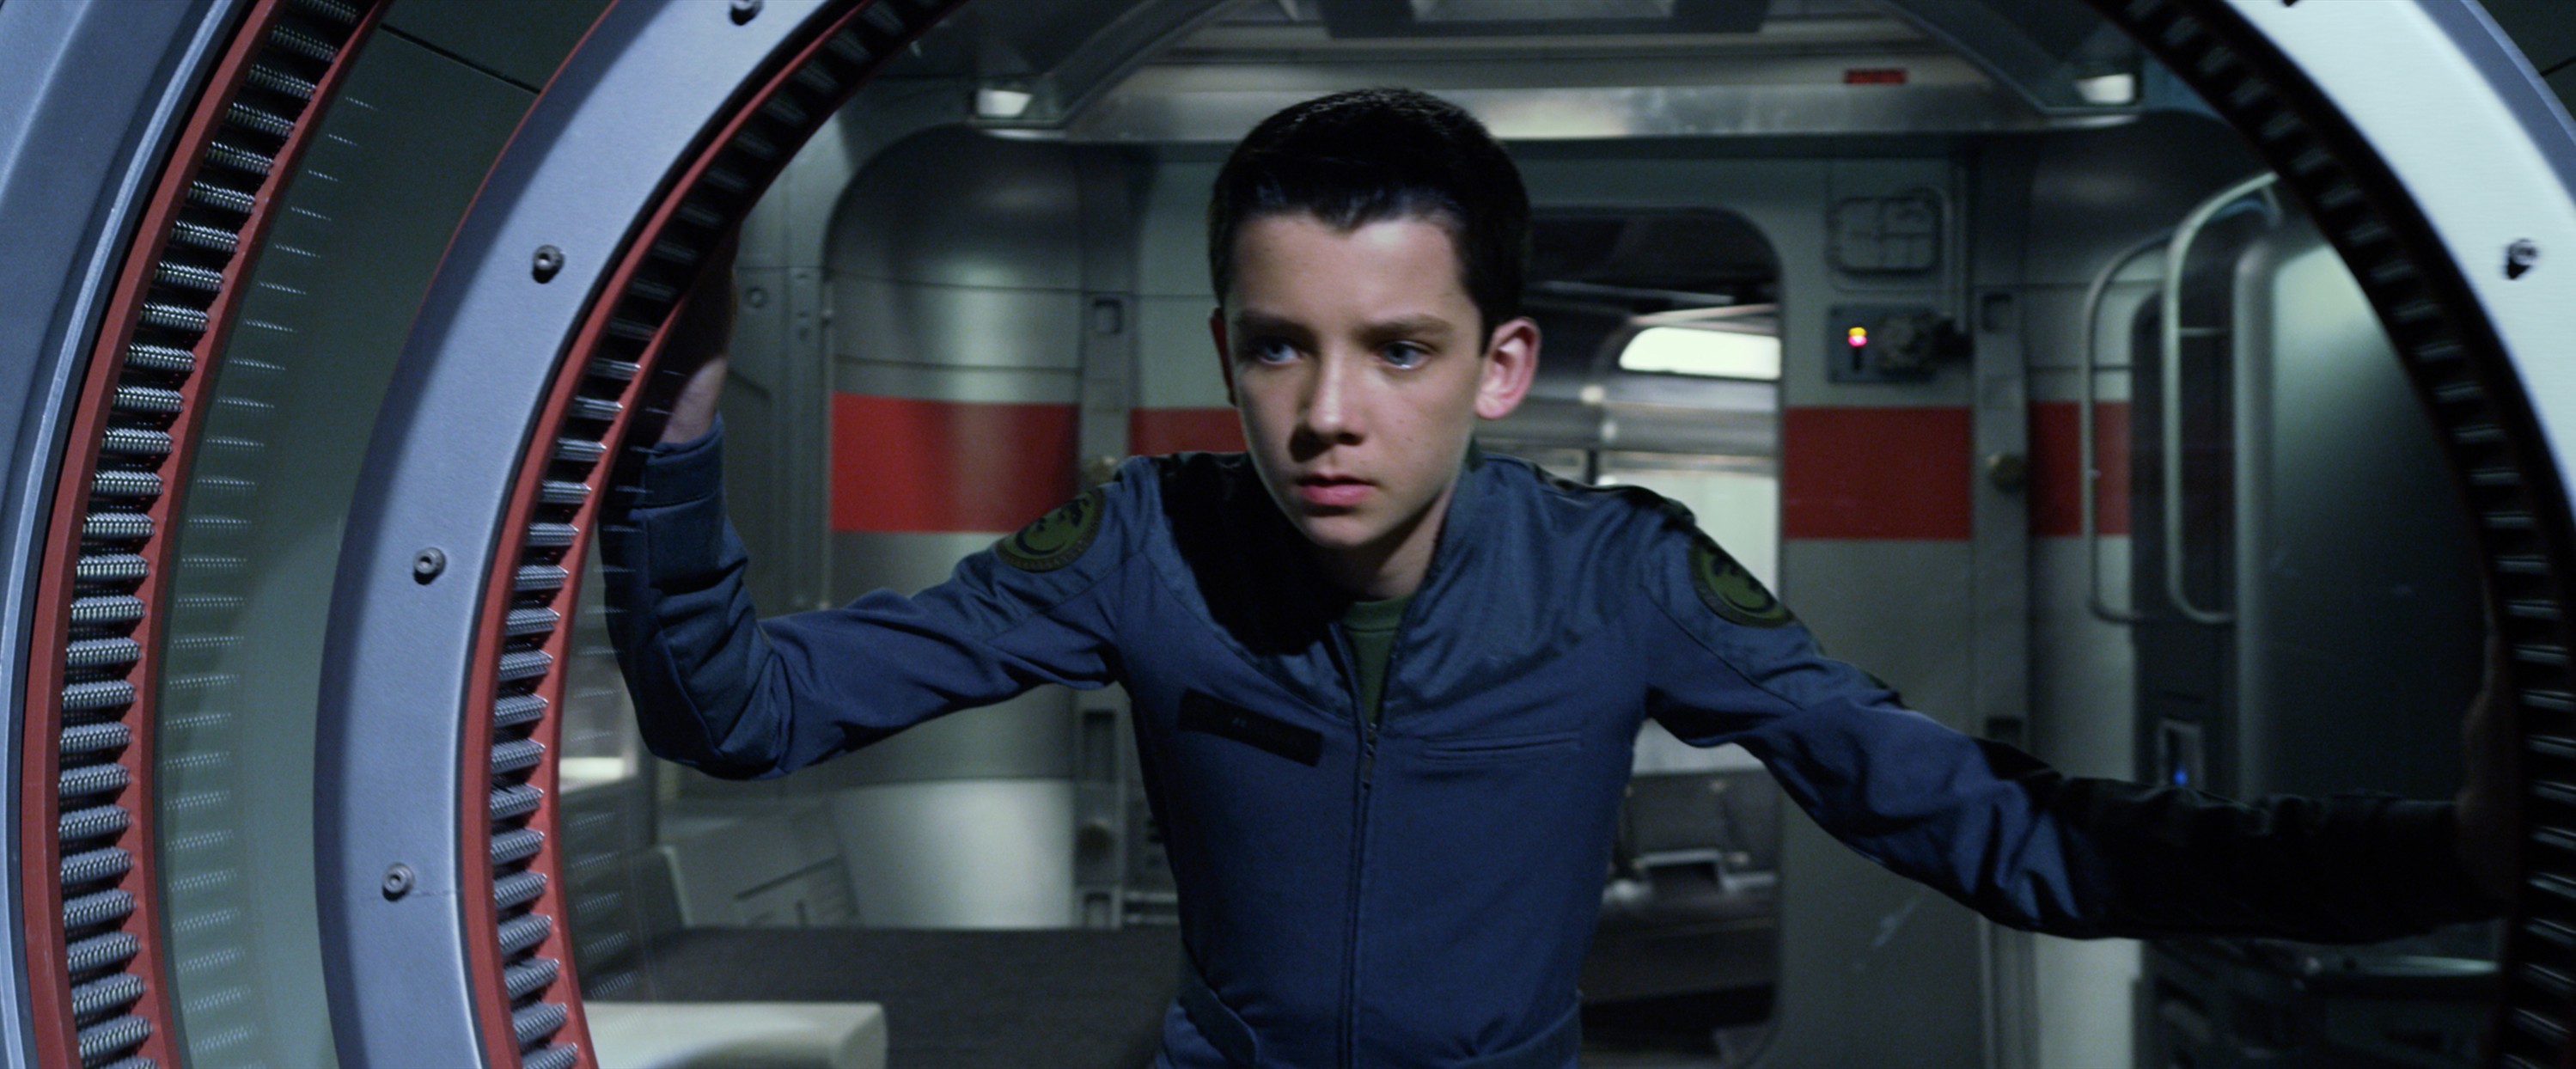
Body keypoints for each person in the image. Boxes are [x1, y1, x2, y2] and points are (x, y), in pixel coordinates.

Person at [603, 88, 2513, 1068]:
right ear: (1225, 349)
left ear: (1500, 366)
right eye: (1276, 347)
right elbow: (743, 714)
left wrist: (2434, 856)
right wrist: (675, 425)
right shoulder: (1140, 543)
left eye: (1398, 350)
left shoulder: (1622, 578)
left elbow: (1990, 830)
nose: (1325, 415)